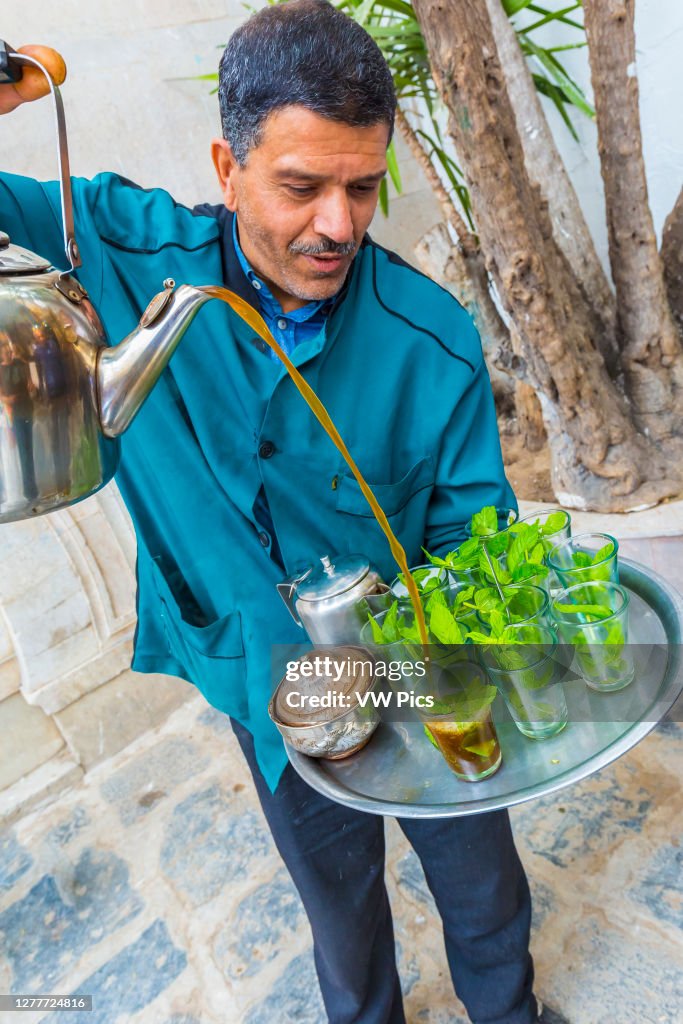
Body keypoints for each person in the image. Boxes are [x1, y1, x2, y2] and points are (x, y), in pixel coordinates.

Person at [0, 4, 567, 1022]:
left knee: (478, 877)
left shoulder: (428, 341)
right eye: (301, 186)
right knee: (336, 905)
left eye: (362, 185)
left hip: (416, 673)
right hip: (265, 681)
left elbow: (473, 548)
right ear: (227, 166)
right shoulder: (120, 251)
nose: (339, 224)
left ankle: (507, 1007)